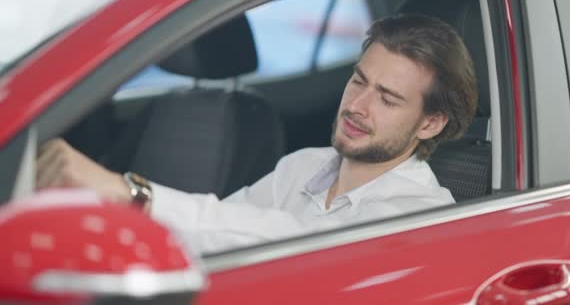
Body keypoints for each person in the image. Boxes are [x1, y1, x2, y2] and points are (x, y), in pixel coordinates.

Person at [36, 14, 478, 255]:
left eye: (387, 98)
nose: (357, 106)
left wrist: (132, 194)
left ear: (430, 123)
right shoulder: (303, 165)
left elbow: (294, 243)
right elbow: (217, 236)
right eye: (359, 80)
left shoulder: (422, 217)